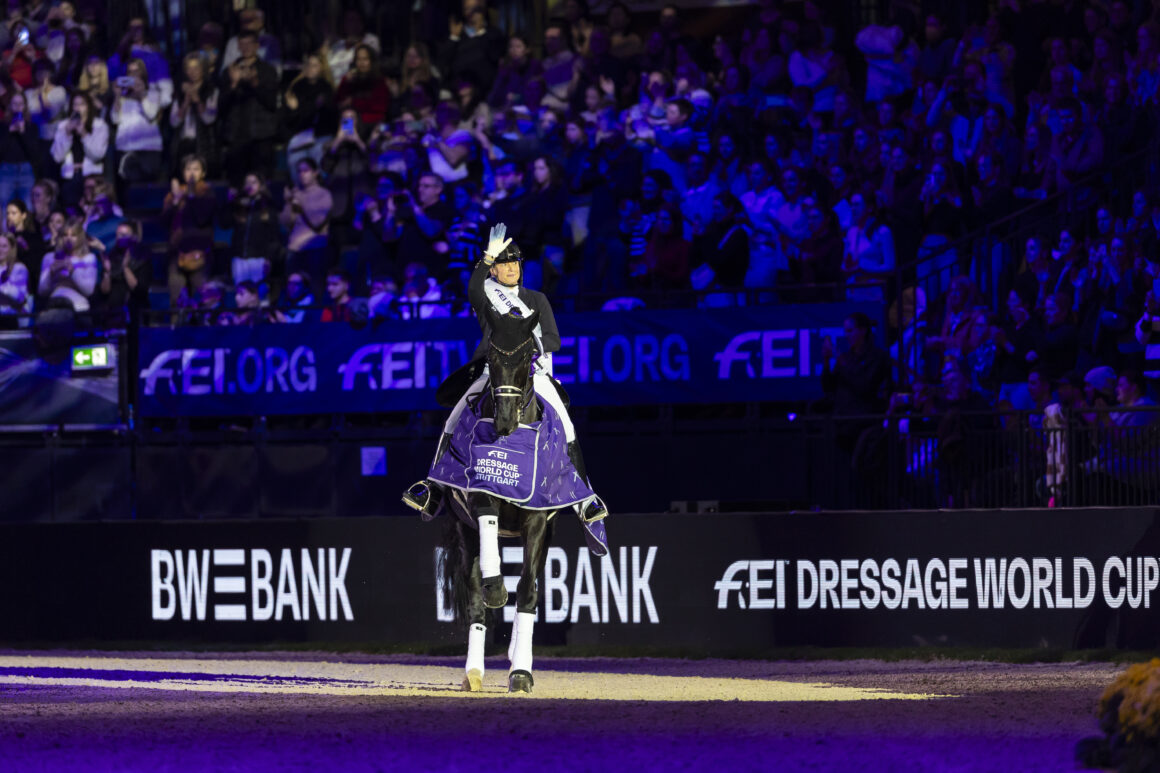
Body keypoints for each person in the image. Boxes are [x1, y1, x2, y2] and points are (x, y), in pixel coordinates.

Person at [403, 223, 609, 557]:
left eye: (516, 263)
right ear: (495, 270)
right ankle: (434, 487)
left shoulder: (536, 299)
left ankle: (585, 500)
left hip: (532, 372)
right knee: (454, 419)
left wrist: (527, 345)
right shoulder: (486, 295)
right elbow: (471, 288)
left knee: (567, 424)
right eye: (505, 263)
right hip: (492, 371)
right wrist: (485, 257)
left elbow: (554, 340)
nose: (512, 268)